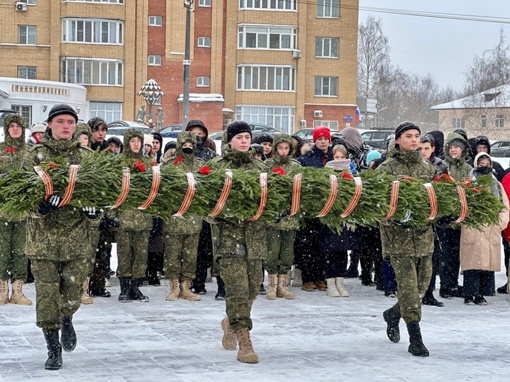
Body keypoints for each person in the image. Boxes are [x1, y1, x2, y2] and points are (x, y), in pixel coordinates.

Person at [22, 104, 97, 370]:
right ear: (50, 124)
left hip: (76, 240)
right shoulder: (35, 156)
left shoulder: (86, 157)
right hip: (42, 241)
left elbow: (102, 196)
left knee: (72, 293)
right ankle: (53, 347)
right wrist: (39, 207)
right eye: (61, 121)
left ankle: (67, 317)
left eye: (70, 122)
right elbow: (19, 195)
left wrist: (94, 212)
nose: (66, 126)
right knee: (46, 295)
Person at [208, 121, 267, 364]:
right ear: (229, 140)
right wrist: (217, 214)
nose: (244, 141)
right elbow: (202, 204)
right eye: (239, 137)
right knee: (237, 290)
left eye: (247, 137)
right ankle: (244, 341)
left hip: (255, 239)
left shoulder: (261, 168)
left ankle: (230, 323)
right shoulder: (216, 168)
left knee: (253, 289)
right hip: (229, 240)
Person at [378, 121, 437, 357]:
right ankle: (416, 338)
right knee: (409, 289)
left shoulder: (428, 169)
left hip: (423, 236)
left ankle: (393, 314)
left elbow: (436, 198)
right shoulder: (387, 169)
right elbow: (377, 205)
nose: (414, 140)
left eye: (417, 136)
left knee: (422, 285)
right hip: (398, 239)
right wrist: (392, 218)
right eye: (409, 136)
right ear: (398, 140)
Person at [111, 129, 154, 303]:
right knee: (124, 254)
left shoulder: (149, 163)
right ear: (127, 142)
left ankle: (136, 288)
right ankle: (124, 288)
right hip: (124, 218)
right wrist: (111, 213)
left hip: (143, 218)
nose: (136, 144)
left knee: (141, 255)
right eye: (132, 140)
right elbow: (112, 190)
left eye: (139, 140)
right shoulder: (118, 164)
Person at [461, 153, 509, 305]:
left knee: (485, 265)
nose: (485, 167)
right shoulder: (468, 183)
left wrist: (499, 223)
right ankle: (469, 293)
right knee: (471, 265)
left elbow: (504, 207)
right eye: (481, 164)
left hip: (490, 229)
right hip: (472, 228)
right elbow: (461, 204)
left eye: (487, 164)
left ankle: (481, 293)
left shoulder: (496, 184)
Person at [264, 134, 301, 300]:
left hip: (290, 217)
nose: (283, 151)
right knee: (272, 252)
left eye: (287, 148)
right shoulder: (267, 166)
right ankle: (272, 285)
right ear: (275, 148)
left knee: (287, 253)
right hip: (273, 218)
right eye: (280, 148)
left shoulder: (296, 166)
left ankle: (282, 285)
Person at [0, 114, 32, 306]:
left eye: (18, 126)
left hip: (23, 211)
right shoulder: (0, 150)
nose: (15, 129)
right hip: (2, 210)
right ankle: (2, 289)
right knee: (2, 250)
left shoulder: (29, 152)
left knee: (21, 251)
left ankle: (18, 291)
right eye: (11, 126)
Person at [296, 127, 331, 292]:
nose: (323, 141)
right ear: (315, 141)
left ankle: (320, 276)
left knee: (323, 244)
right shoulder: (306, 159)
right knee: (308, 244)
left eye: (326, 138)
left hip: (328, 206)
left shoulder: (333, 157)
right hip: (310, 208)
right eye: (320, 139)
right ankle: (308, 277)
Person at [440, 132, 472, 299]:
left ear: (463, 150)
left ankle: (453, 283)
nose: (454, 150)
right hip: (446, 216)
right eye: (451, 147)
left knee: (456, 253)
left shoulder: (467, 168)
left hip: (461, 216)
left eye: (457, 147)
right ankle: (445, 285)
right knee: (445, 253)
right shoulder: (443, 165)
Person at [418, 134, 447, 307]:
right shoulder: (414, 166)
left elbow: (443, 191)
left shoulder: (440, 166)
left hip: (435, 216)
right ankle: (418, 292)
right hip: (419, 216)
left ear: (433, 149)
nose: (423, 152)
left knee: (434, 257)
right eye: (420, 148)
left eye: (426, 148)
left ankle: (429, 292)